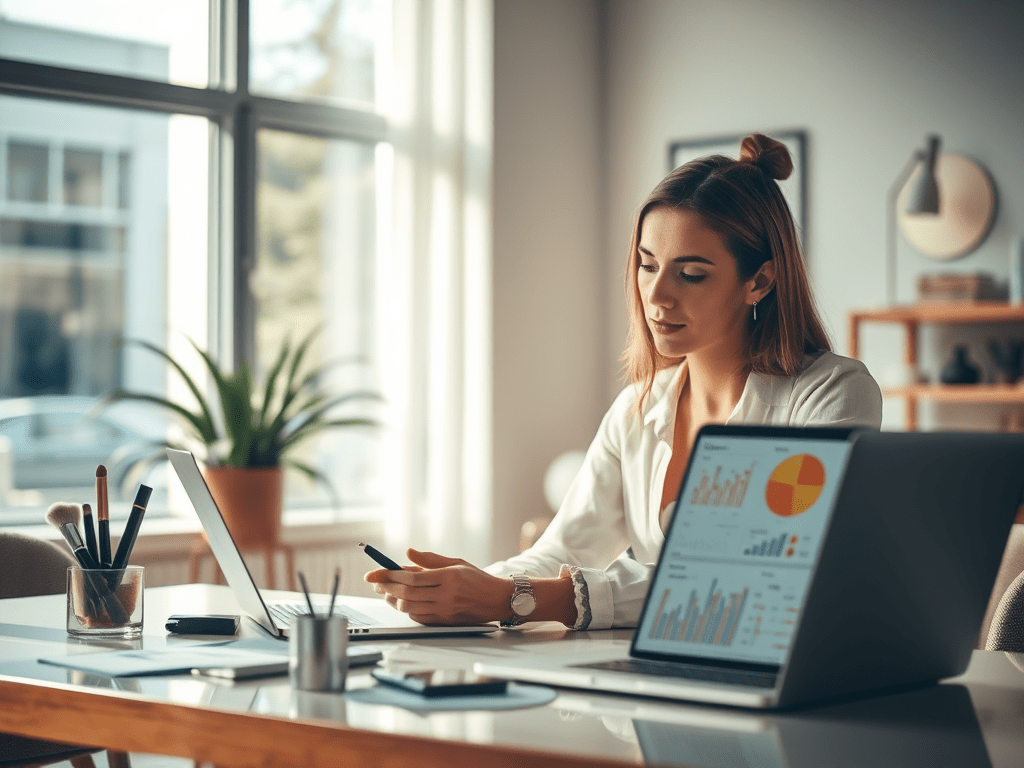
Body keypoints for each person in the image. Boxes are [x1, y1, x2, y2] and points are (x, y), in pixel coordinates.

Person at [365, 133, 882, 631]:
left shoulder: (830, 395)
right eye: (647, 265)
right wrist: (470, 588)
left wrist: (512, 599)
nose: (657, 296)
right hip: (660, 673)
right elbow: (564, 550)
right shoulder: (638, 408)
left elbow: (749, 577)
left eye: (691, 273)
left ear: (760, 281)